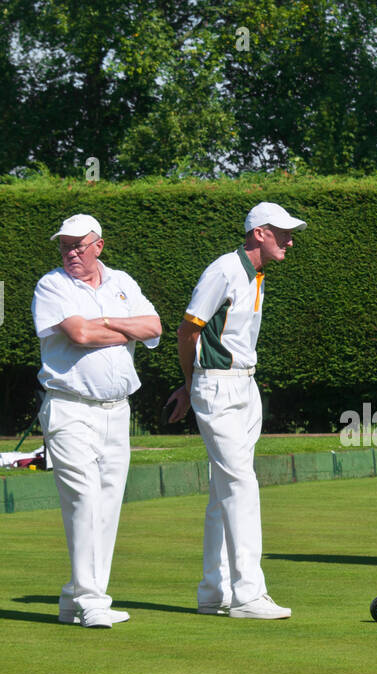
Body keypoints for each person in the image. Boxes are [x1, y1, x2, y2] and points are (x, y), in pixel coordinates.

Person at [165, 202, 306, 619]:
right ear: (258, 232)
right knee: (241, 484)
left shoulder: (257, 276)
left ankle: (214, 591)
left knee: (222, 490)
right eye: (282, 233)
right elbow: (188, 330)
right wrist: (191, 385)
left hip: (246, 386)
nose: (290, 240)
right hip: (218, 388)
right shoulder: (224, 269)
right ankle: (248, 595)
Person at [32, 214, 162, 627]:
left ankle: (75, 598)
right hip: (70, 408)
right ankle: (92, 601)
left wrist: (104, 321)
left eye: (78, 245)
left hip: (117, 410)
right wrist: (125, 329)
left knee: (106, 507)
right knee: (84, 500)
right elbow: (79, 335)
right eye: (64, 246)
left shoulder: (123, 282)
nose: (70, 252)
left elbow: (155, 327)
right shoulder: (51, 285)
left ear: (98, 246)